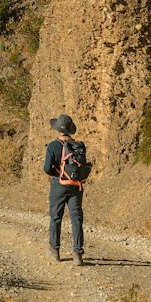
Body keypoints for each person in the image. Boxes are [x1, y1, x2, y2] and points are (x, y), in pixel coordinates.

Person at [44, 113, 87, 264]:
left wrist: (59, 174)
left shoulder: (53, 145)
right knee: (76, 219)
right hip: (76, 186)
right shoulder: (79, 145)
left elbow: (47, 168)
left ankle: (55, 250)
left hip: (59, 185)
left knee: (56, 217)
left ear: (57, 129)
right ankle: (77, 254)